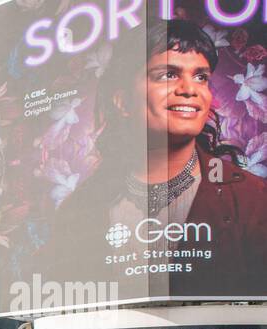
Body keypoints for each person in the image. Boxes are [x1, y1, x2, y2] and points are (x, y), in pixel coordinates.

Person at [45, 19, 267, 300]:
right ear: (122, 101)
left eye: (201, 76)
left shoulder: (253, 198)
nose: (189, 89)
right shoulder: (79, 210)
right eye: (167, 75)